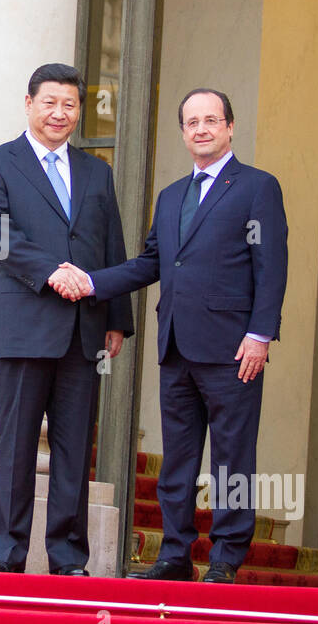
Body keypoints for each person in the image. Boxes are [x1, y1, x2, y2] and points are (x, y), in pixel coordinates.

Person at [54, 88, 287, 583]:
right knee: (178, 459)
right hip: (176, 345)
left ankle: (225, 557)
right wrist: (93, 282)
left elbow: (272, 268)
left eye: (211, 120)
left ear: (229, 127)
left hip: (234, 349)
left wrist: (261, 334)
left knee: (232, 457)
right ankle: (174, 556)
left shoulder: (257, 187)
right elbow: (149, 264)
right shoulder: (172, 195)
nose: (201, 129)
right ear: (182, 132)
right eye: (191, 122)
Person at [0, 63, 133, 576]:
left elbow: (111, 246)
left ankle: (67, 559)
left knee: (72, 452)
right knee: (15, 448)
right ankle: (6, 556)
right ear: (28, 103)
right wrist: (51, 273)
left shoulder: (96, 172)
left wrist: (118, 319)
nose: (60, 113)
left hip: (84, 333)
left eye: (69, 105)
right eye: (50, 103)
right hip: (24, 329)